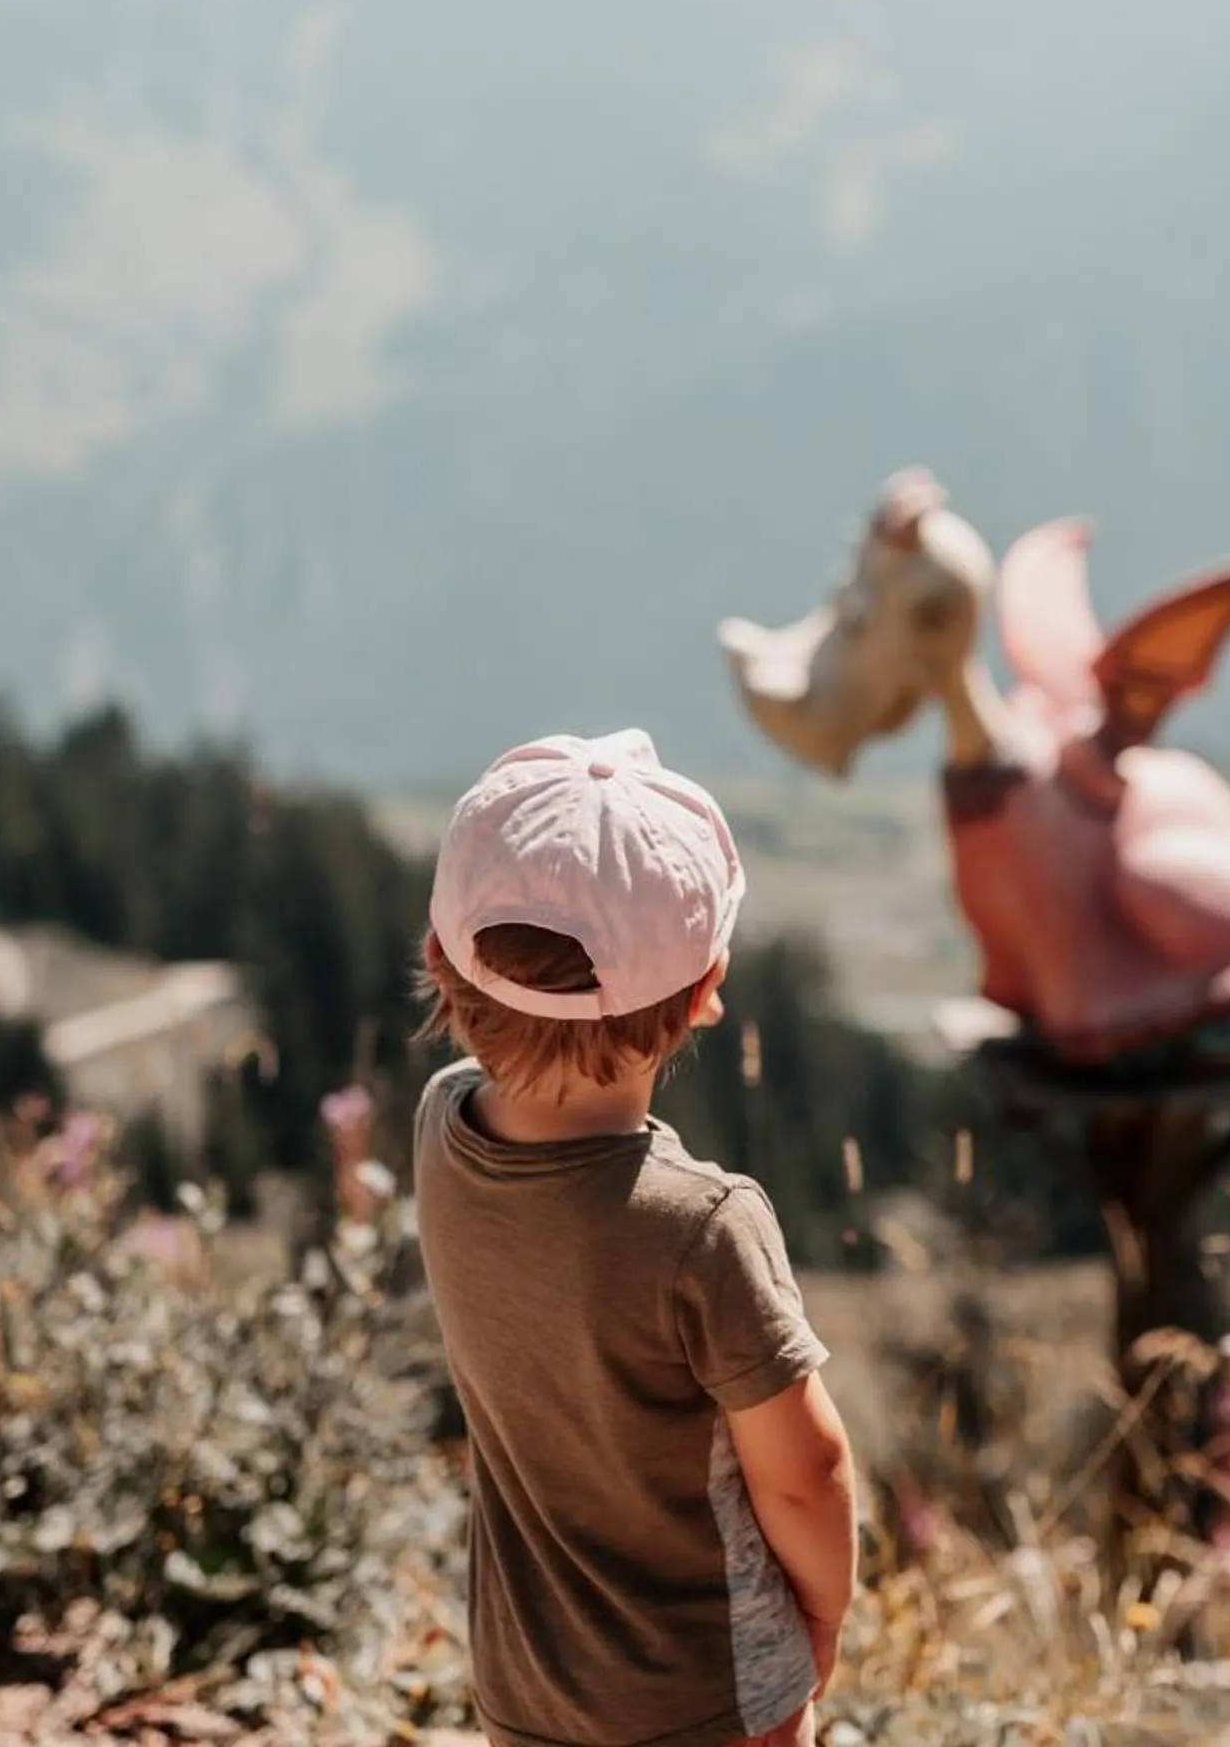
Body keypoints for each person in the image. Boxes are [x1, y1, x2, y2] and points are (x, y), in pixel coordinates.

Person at [412, 730, 856, 1747]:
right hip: (708, 1692)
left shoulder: (441, 1129)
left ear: (443, 957)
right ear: (706, 992)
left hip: (525, 1683)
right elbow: (806, 1471)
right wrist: (820, 1618)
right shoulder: (702, 1224)